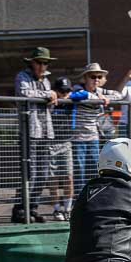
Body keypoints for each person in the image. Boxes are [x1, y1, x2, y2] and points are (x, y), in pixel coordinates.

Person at [11, 47, 57, 224]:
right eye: (39, 62)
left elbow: (49, 104)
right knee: (29, 173)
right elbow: (25, 93)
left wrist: (52, 99)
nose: (42, 66)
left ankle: (33, 207)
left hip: (46, 132)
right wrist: (48, 95)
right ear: (32, 62)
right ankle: (20, 209)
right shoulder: (22, 76)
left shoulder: (46, 80)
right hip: (29, 132)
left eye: (45, 63)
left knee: (44, 173)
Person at [70, 63, 121, 196]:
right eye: (93, 76)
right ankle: (79, 200)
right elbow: (76, 96)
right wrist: (99, 99)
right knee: (79, 172)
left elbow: (118, 95)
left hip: (94, 137)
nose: (96, 80)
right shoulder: (78, 88)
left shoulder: (100, 91)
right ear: (85, 78)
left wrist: (105, 98)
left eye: (99, 77)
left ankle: (92, 198)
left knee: (93, 169)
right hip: (78, 138)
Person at [48, 76, 76, 221]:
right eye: (61, 91)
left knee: (69, 177)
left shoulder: (72, 100)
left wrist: (71, 95)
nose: (64, 94)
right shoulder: (50, 100)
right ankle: (56, 209)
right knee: (53, 177)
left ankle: (68, 208)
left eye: (66, 91)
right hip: (51, 143)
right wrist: (52, 97)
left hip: (67, 143)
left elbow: (82, 93)